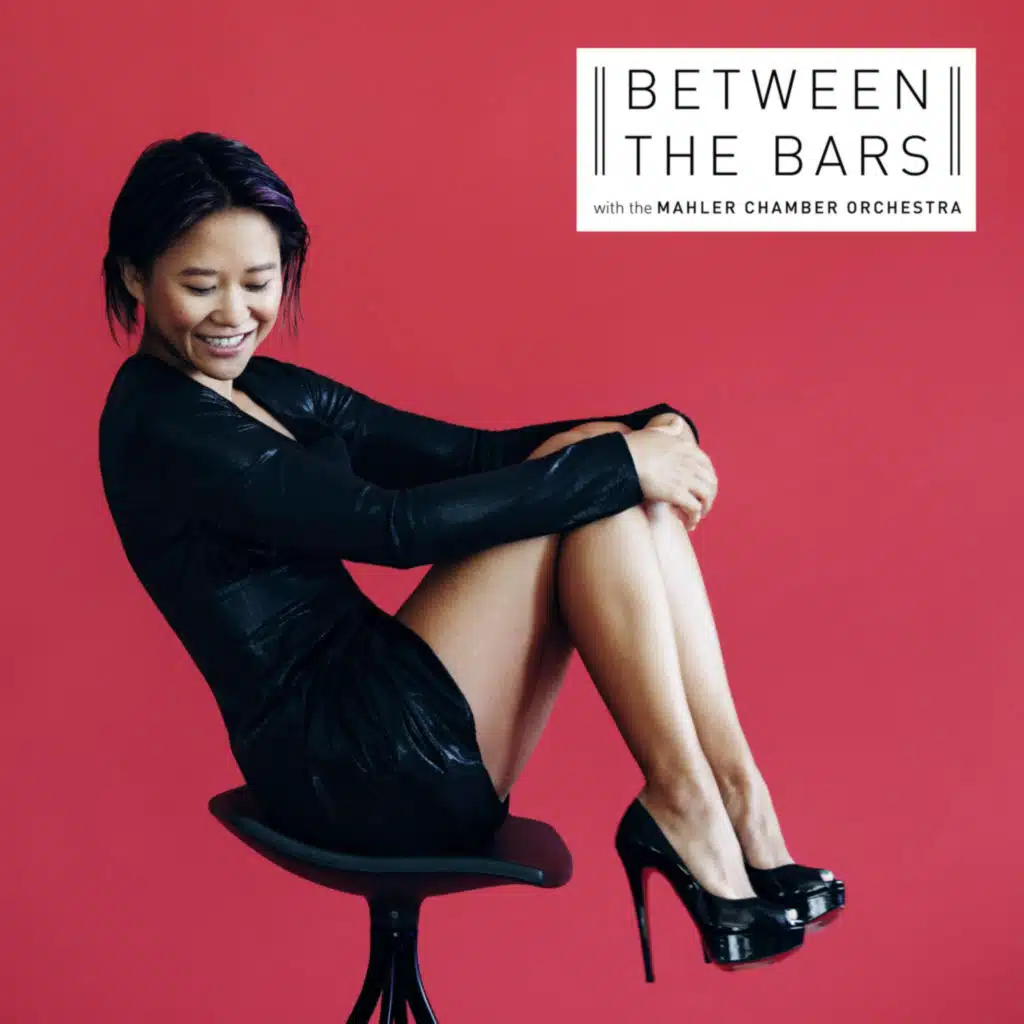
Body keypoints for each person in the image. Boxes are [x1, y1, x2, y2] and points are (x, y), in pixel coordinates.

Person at [98, 131, 843, 972]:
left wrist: (650, 430)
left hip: (385, 711)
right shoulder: (162, 422)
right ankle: (688, 802)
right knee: (597, 483)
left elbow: (472, 455)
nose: (234, 314)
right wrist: (623, 460)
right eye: (201, 286)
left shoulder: (258, 386)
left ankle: (733, 798)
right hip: (344, 764)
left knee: (604, 474)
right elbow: (391, 527)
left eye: (259, 283)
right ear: (136, 277)